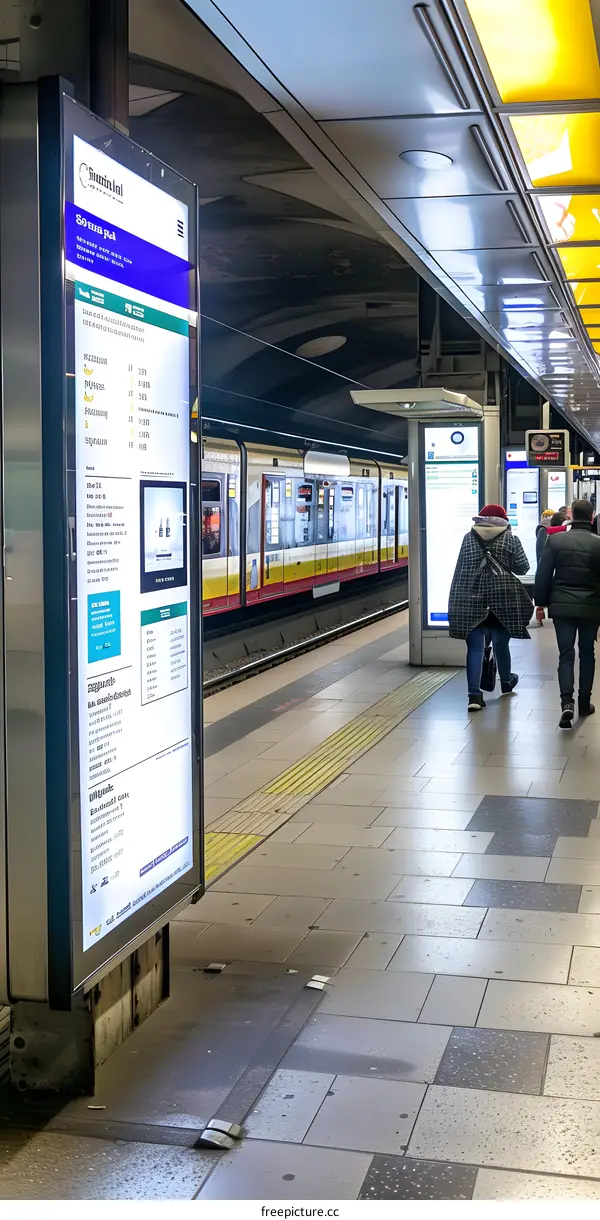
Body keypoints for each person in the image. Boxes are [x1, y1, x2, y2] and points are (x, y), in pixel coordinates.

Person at [448, 503, 532, 712]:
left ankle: (474, 695)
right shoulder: (511, 539)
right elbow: (523, 568)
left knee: (475, 647)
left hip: (472, 598)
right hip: (503, 599)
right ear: (504, 520)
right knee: (501, 644)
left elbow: (462, 568)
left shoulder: (468, 538)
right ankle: (506, 681)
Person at [534, 498, 600, 728]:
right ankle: (584, 703)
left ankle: (566, 703)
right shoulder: (598, 543)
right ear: (591, 518)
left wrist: (540, 603)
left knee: (566, 654)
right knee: (587, 653)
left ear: (571, 517)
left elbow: (543, 573)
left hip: (562, 606)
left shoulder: (556, 541)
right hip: (591, 607)